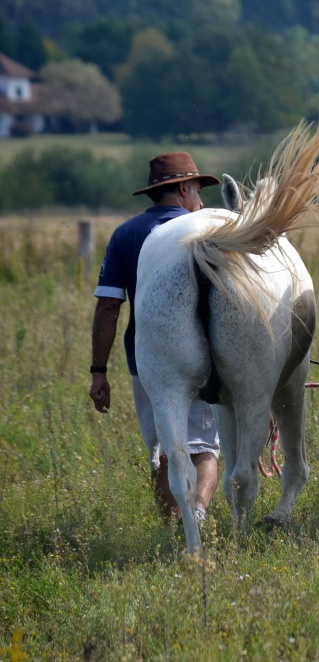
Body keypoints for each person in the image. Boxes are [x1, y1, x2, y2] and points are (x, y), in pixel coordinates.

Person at [89, 152, 222, 524]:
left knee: (164, 447)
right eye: (198, 190)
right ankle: (198, 514)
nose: (201, 201)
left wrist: (99, 370)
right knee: (206, 447)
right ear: (182, 189)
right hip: (211, 355)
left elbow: (108, 307)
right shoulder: (206, 230)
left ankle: (172, 526)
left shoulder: (125, 235)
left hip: (148, 361)